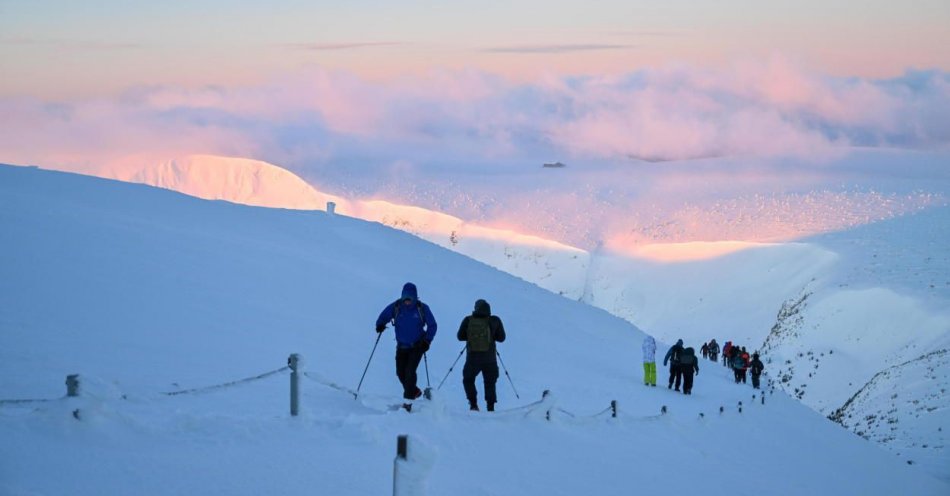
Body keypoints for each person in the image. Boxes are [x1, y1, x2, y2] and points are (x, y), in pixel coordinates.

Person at [375, 282, 438, 404]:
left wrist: (427, 341)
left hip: (417, 346)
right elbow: (384, 315)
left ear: (415, 297)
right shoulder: (397, 307)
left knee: (409, 372)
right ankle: (413, 391)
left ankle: (408, 402)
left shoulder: (422, 308)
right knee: (400, 373)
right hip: (401, 346)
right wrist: (380, 324)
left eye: (410, 299)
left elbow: (433, 325)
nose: (407, 301)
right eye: (405, 298)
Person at [457, 299, 506, 411]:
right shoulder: (495, 320)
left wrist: (472, 336)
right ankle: (490, 407)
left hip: (472, 358)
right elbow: (502, 338)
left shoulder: (468, 320)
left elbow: (460, 336)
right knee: (490, 382)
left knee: (468, 380)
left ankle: (473, 404)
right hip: (490, 359)